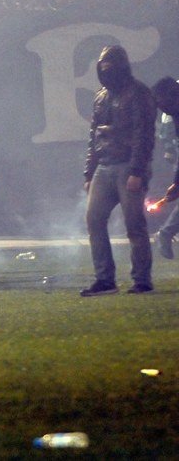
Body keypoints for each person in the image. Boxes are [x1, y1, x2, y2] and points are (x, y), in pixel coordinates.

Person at [82, 45, 156, 296]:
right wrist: (89, 173)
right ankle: (105, 280)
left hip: (127, 167)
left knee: (134, 225)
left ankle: (142, 280)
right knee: (94, 220)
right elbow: (94, 136)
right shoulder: (100, 96)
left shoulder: (139, 93)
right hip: (104, 166)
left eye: (110, 66)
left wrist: (137, 170)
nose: (106, 71)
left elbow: (143, 134)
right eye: (102, 67)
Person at [151, 77, 179, 259]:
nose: (161, 107)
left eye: (162, 102)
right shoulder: (174, 113)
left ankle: (167, 232)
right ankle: (166, 232)